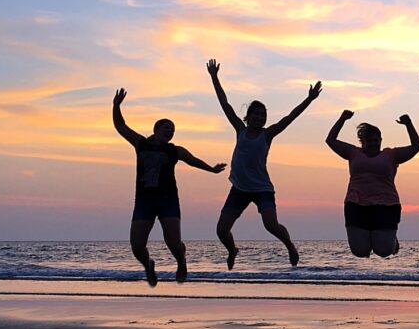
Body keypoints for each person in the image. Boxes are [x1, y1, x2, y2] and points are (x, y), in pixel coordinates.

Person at [207, 59, 321, 269]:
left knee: (271, 225)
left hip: (262, 188)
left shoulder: (267, 135)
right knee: (221, 230)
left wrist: (309, 99)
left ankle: (290, 246)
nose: (260, 118)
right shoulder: (240, 130)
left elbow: (290, 117)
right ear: (248, 117)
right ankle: (232, 250)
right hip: (239, 188)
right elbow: (225, 105)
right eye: (256, 114)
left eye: (263, 115)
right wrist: (214, 77)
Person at [112, 88, 227, 287]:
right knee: (137, 245)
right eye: (166, 127)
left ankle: (181, 261)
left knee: (173, 243)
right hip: (144, 202)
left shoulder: (175, 150)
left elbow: (193, 161)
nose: (170, 131)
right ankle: (148, 265)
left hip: (168, 201)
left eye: (172, 129)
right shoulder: (141, 143)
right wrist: (116, 106)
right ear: (156, 129)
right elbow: (121, 126)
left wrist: (212, 169)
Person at [325, 110, 419, 257]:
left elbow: (416, 147)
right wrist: (342, 119)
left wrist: (408, 124)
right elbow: (330, 140)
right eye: (369, 140)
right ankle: (375, 238)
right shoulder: (353, 153)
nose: (373, 143)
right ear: (362, 142)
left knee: (383, 251)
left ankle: (391, 242)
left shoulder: (391, 155)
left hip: (386, 205)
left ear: (380, 140)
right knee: (360, 252)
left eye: (376, 140)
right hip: (356, 204)